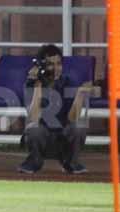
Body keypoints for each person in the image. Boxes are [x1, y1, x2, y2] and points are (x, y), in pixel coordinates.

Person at [18, 44, 97, 174]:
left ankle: (71, 162)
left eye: (59, 64)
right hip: (42, 138)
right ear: (42, 67)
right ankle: (34, 161)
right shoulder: (30, 84)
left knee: (79, 126)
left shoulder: (67, 82)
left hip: (62, 139)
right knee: (34, 129)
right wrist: (38, 86)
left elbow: (72, 119)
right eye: (50, 64)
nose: (56, 69)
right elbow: (33, 117)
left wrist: (80, 95)